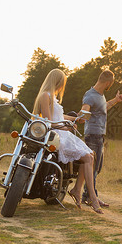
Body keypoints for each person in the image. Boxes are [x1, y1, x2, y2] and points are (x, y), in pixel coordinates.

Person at [33, 68, 103, 214]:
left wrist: (75, 118)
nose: (61, 87)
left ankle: (78, 190)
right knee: (88, 157)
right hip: (57, 135)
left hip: (62, 132)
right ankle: (92, 197)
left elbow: (59, 115)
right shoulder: (45, 96)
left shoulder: (51, 96)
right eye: (61, 83)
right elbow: (48, 121)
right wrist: (65, 128)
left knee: (90, 155)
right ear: (57, 82)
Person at [81, 69, 122, 207]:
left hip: (99, 136)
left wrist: (116, 101)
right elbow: (85, 110)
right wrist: (83, 115)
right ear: (108, 83)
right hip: (92, 136)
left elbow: (102, 108)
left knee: (96, 168)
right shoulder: (90, 95)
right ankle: (91, 197)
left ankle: (86, 195)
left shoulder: (100, 95)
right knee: (92, 169)